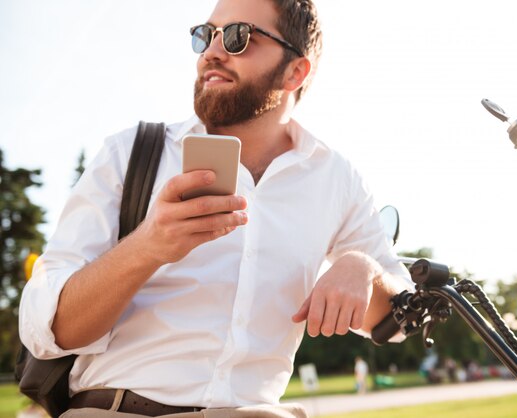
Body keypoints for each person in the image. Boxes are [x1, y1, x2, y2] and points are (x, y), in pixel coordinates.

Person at [19, 0, 412, 417]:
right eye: (205, 36)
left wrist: (363, 268)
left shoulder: (337, 179)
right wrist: (148, 246)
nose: (212, 51)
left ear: (296, 71)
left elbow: (401, 322)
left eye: (239, 36)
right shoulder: (128, 154)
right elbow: (48, 332)